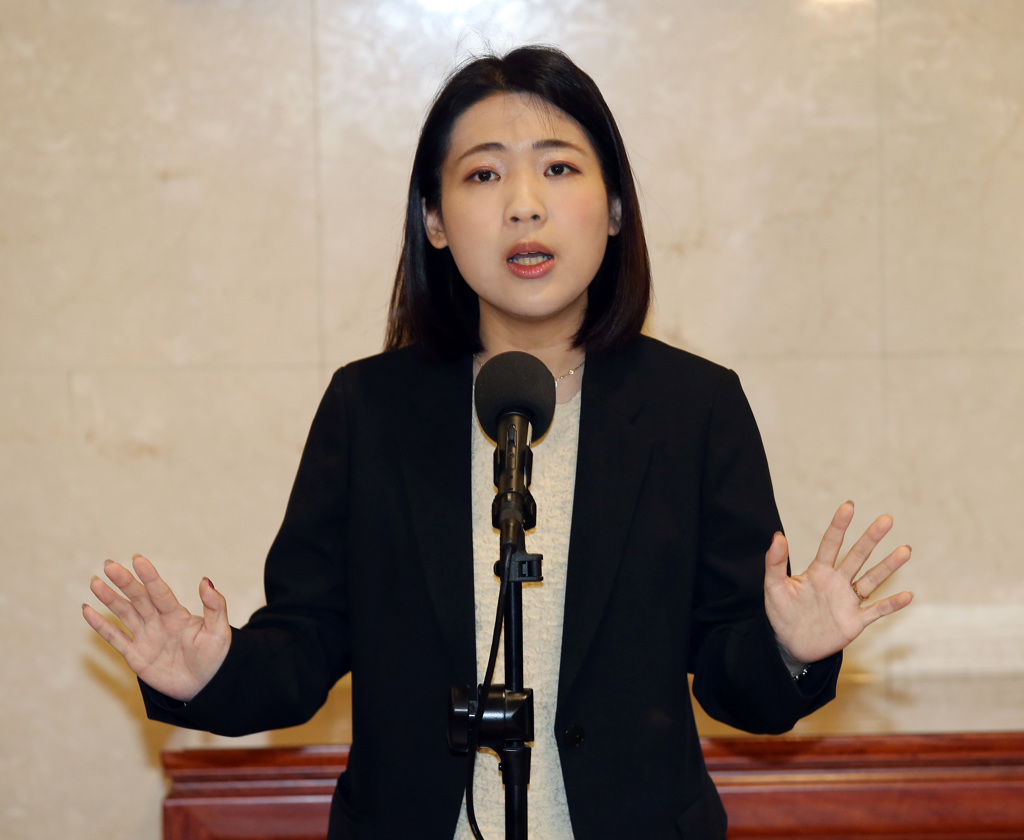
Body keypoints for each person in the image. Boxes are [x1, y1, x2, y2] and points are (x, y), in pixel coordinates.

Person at [83, 46, 913, 839]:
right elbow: (305, 644)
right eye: (483, 174)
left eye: (559, 168)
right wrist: (211, 673)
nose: (524, 204)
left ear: (615, 209)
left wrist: (788, 650)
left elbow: (739, 682)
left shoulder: (692, 407)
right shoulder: (371, 409)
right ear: (435, 221)